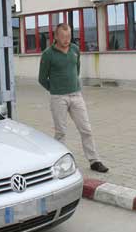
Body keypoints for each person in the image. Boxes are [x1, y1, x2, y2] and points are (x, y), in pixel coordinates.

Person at [38, 23, 109, 173]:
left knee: (86, 129)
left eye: (69, 36)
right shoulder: (48, 54)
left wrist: (73, 84)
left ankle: (94, 160)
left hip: (76, 95)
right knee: (61, 132)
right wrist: (55, 89)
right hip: (58, 98)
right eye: (63, 37)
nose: (66, 39)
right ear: (56, 36)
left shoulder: (75, 50)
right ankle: (61, 164)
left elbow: (76, 69)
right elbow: (42, 78)